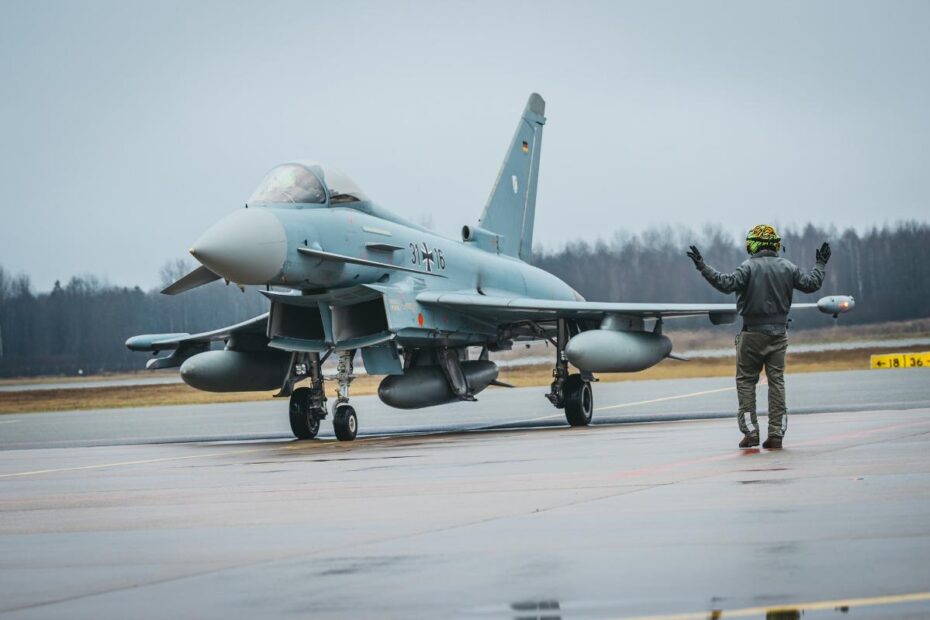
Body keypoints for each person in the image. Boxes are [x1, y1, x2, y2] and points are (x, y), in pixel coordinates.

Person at [686, 225, 830, 449]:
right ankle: (776, 434)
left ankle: (750, 432)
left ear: (753, 244)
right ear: (775, 244)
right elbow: (812, 284)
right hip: (779, 334)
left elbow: (725, 284)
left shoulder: (747, 267)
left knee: (745, 382)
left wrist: (702, 267)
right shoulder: (788, 267)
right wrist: (820, 264)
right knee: (777, 383)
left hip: (751, 334)